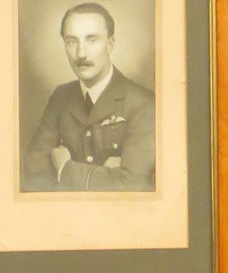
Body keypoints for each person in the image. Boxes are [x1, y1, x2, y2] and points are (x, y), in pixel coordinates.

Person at [22, 4, 156, 192]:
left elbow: (131, 184)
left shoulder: (143, 103)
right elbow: (32, 174)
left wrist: (64, 169)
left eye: (91, 40)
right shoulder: (60, 98)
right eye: (71, 41)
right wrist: (105, 175)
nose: (81, 53)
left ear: (110, 44)